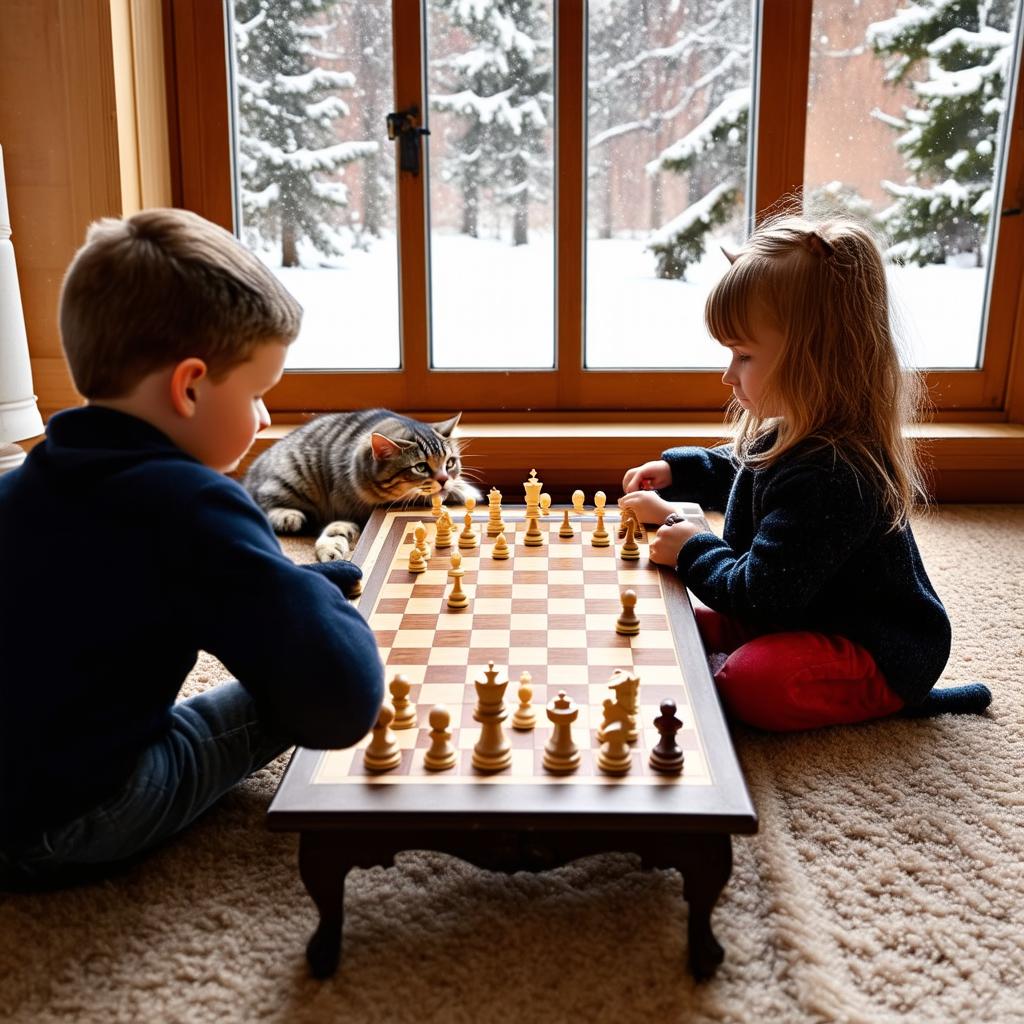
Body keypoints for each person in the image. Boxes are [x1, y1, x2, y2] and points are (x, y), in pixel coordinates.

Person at [0, 209, 385, 881]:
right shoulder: (194, 507)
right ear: (189, 386)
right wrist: (306, 603)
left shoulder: (29, 478)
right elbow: (341, 698)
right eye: (259, 394)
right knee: (271, 694)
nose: (265, 419)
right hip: (71, 820)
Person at [620, 215, 991, 731]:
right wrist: (676, 471)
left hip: (873, 648)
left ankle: (889, 700)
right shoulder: (798, 429)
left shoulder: (837, 475)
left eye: (744, 355)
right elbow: (745, 472)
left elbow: (760, 594)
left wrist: (692, 548)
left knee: (746, 683)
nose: (728, 375)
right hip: (801, 604)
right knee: (673, 621)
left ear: (816, 359)